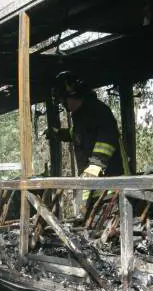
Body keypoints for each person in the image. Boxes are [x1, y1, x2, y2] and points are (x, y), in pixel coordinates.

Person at [53, 71, 129, 213]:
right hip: (94, 184)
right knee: (92, 225)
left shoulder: (98, 111)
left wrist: (96, 165)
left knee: (111, 223)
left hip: (112, 182)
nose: (62, 104)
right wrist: (60, 134)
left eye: (63, 99)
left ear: (72, 96)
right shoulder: (80, 116)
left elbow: (108, 138)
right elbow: (78, 135)